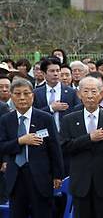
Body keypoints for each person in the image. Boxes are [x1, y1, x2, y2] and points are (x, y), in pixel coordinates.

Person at [59, 76, 103, 218]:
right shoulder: (69, 119)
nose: (90, 96)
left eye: (94, 91)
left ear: (101, 94)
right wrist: (89, 138)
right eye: (86, 91)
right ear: (79, 94)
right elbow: (64, 147)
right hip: (80, 183)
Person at [0, 78, 64, 218]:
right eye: (17, 94)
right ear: (11, 96)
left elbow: (54, 147)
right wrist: (20, 141)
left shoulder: (45, 118)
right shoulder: (6, 120)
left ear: (32, 96)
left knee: (42, 213)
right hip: (15, 176)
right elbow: (2, 146)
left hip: (40, 176)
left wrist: (58, 174)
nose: (22, 98)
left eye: (26, 93)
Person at [33, 58, 80, 131]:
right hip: (44, 133)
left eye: (58, 71)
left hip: (65, 133)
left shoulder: (71, 92)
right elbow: (33, 114)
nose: (55, 74)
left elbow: (77, 112)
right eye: (52, 71)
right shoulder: (36, 93)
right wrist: (50, 108)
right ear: (43, 73)